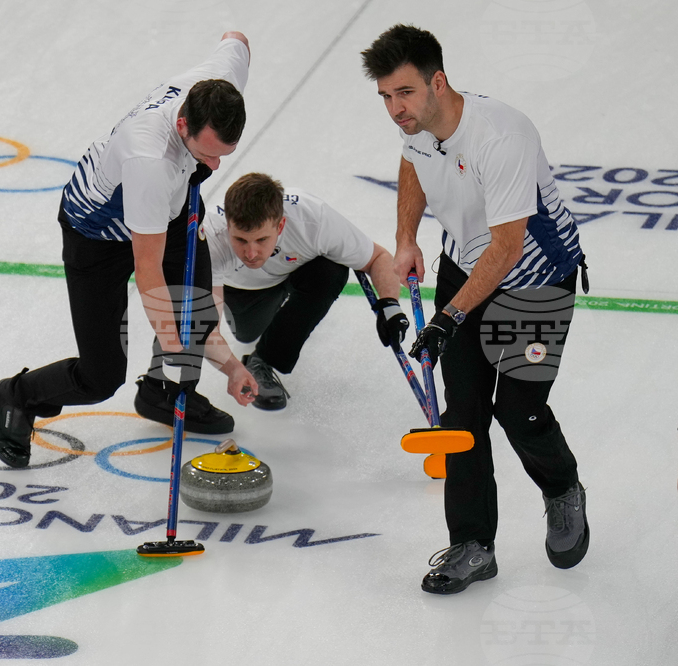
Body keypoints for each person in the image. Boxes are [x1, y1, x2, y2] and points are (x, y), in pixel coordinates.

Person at [361, 24, 590, 594]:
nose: (395, 109)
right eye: (386, 96)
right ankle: (472, 544)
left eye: (405, 93)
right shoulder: (417, 126)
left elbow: (508, 249)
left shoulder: (500, 137)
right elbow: (413, 163)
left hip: (534, 283)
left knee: (518, 408)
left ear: (438, 82)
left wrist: (446, 319)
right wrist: (407, 237)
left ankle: (562, 488)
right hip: (464, 265)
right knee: (462, 415)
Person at [0, 32, 258, 469]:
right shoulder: (150, 160)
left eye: (223, 155)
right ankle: (17, 394)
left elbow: (237, 40)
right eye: (206, 154)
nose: (214, 167)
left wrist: (223, 365)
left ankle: (160, 394)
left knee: (195, 311)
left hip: (168, 210)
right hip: (96, 234)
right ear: (181, 124)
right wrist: (172, 340)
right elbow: (147, 267)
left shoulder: (216, 86)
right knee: (101, 376)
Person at [193, 172, 408, 410]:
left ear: (281, 224)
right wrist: (233, 369)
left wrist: (389, 305)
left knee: (332, 271)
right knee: (246, 334)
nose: (251, 253)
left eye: (262, 239)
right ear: (228, 226)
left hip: (294, 272)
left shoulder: (313, 219)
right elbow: (205, 328)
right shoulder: (210, 238)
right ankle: (270, 309)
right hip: (242, 288)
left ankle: (264, 360)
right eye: (241, 240)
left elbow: (378, 257)